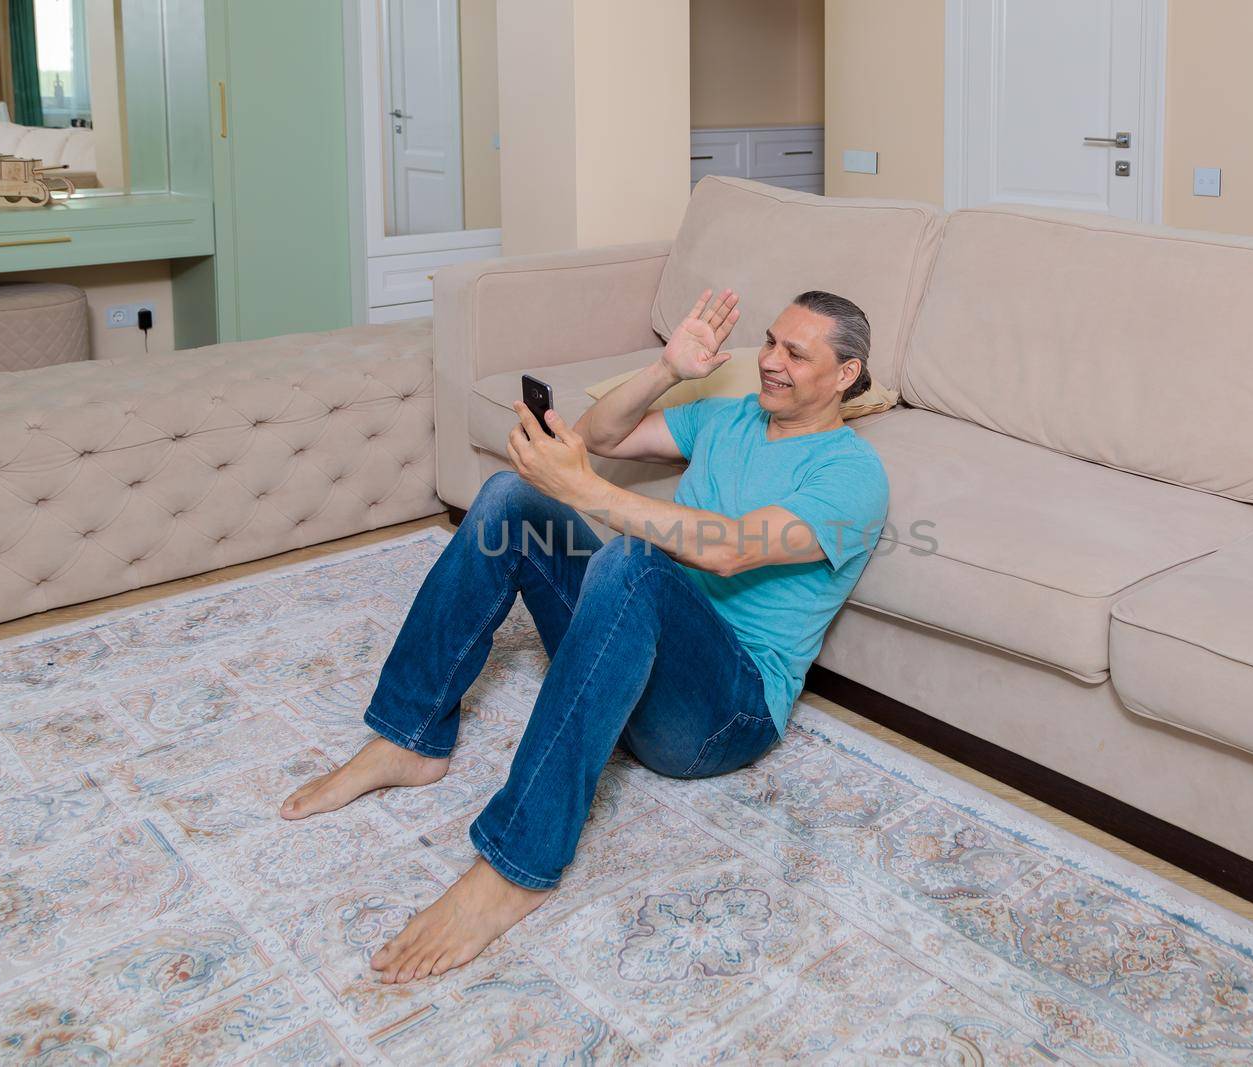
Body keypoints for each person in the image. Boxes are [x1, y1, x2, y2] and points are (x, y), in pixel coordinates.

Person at [280, 286, 890, 985]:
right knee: (512, 501)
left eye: (796, 353)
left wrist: (589, 493)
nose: (771, 362)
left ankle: (519, 864)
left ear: (845, 374)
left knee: (631, 559)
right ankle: (408, 738)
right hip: (635, 649)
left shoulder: (852, 475)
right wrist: (666, 369)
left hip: (725, 711)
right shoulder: (731, 418)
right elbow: (604, 437)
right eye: (771, 343)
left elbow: (732, 551)